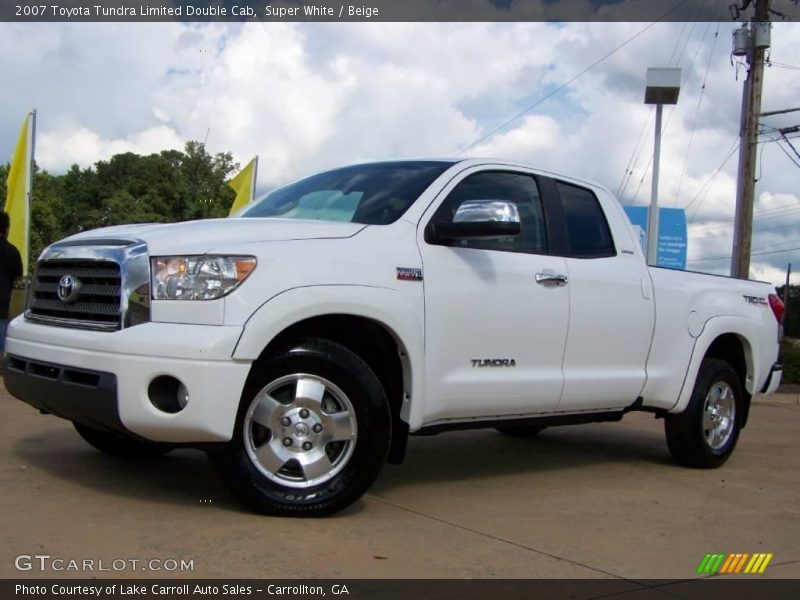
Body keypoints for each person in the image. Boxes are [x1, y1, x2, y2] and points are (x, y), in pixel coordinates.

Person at [0, 211, 23, 357]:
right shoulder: (13, 251)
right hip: (2, 301)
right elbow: (18, 277)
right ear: (7, 229)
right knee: (2, 331)